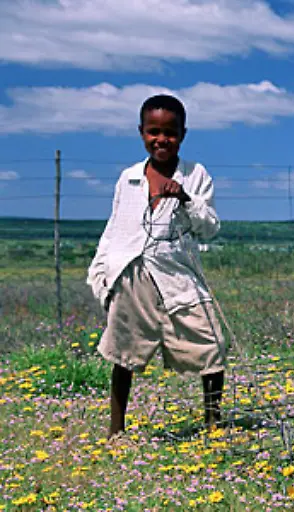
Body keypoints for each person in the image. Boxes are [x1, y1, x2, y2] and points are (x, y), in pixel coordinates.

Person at [87, 94, 227, 439]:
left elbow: (209, 226)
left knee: (212, 343)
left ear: (183, 134)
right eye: (153, 132)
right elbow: (115, 228)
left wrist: (184, 198)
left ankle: (213, 421)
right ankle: (115, 429)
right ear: (141, 133)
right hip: (131, 272)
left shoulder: (195, 175)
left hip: (177, 273)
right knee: (124, 350)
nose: (161, 140)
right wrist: (101, 272)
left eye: (170, 133)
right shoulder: (129, 178)